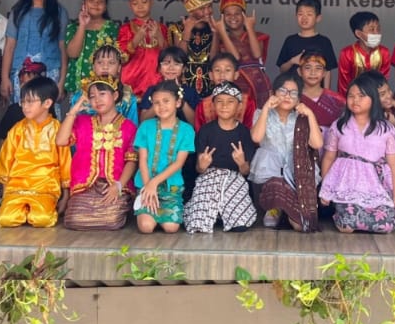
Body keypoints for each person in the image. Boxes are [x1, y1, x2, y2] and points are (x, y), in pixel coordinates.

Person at [319, 72, 395, 234]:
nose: (355, 100)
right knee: (346, 226)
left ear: (373, 99)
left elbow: (394, 165)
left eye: (361, 96)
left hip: (376, 187)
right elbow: (329, 158)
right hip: (346, 187)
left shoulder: (386, 129)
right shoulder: (339, 126)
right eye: (351, 96)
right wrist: (326, 188)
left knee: (386, 225)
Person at [57, 79, 137, 231]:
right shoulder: (82, 122)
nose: (97, 100)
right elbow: (61, 141)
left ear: (115, 96)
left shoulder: (128, 127)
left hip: (113, 185)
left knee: (112, 220)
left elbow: (132, 161)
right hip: (86, 186)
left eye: (102, 94)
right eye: (92, 96)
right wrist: (73, 111)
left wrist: (119, 185)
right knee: (73, 220)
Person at [0, 73, 69, 228]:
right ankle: (23, 211)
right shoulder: (17, 129)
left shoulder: (57, 130)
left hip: (45, 186)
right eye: (23, 102)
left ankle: (33, 212)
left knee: (42, 219)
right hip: (17, 186)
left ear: (47, 103)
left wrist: (65, 196)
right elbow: (5, 161)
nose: (25, 106)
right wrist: (6, 195)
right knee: (6, 220)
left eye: (30, 101)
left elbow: (65, 162)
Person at [250, 73, 322, 233]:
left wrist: (310, 115)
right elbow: (256, 137)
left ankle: (287, 212)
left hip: (296, 174)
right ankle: (275, 208)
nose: (287, 96)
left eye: (293, 93)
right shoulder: (261, 113)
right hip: (269, 172)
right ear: (273, 93)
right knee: (275, 186)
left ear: (299, 99)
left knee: (300, 225)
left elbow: (317, 143)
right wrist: (266, 108)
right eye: (283, 91)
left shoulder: (302, 118)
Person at [185, 82, 257, 234]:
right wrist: (203, 165)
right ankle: (216, 213)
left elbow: (246, 172)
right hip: (208, 178)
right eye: (220, 101)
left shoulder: (244, 133)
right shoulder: (205, 131)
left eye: (230, 102)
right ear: (213, 105)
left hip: (234, 179)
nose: (224, 106)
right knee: (197, 224)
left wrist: (241, 163)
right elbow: (199, 168)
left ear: (239, 106)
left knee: (240, 225)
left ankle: (221, 213)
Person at [133, 80, 195, 233]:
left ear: (178, 102)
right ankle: (148, 212)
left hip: (170, 187)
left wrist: (154, 183)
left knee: (171, 228)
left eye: (166, 101)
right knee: (146, 227)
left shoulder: (187, 130)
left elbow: (178, 163)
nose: (161, 106)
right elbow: (142, 160)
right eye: (156, 103)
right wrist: (148, 186)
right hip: (146, 184)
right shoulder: (145, 127)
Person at [1, 0, 68, 103]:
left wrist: (61, 81)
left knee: (47, 112)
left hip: (50, 74)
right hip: (21, 74)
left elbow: (62, 47)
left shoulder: (59, 12)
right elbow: (10, 46)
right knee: (21, 111)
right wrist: (4, 78)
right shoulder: (18, 11)